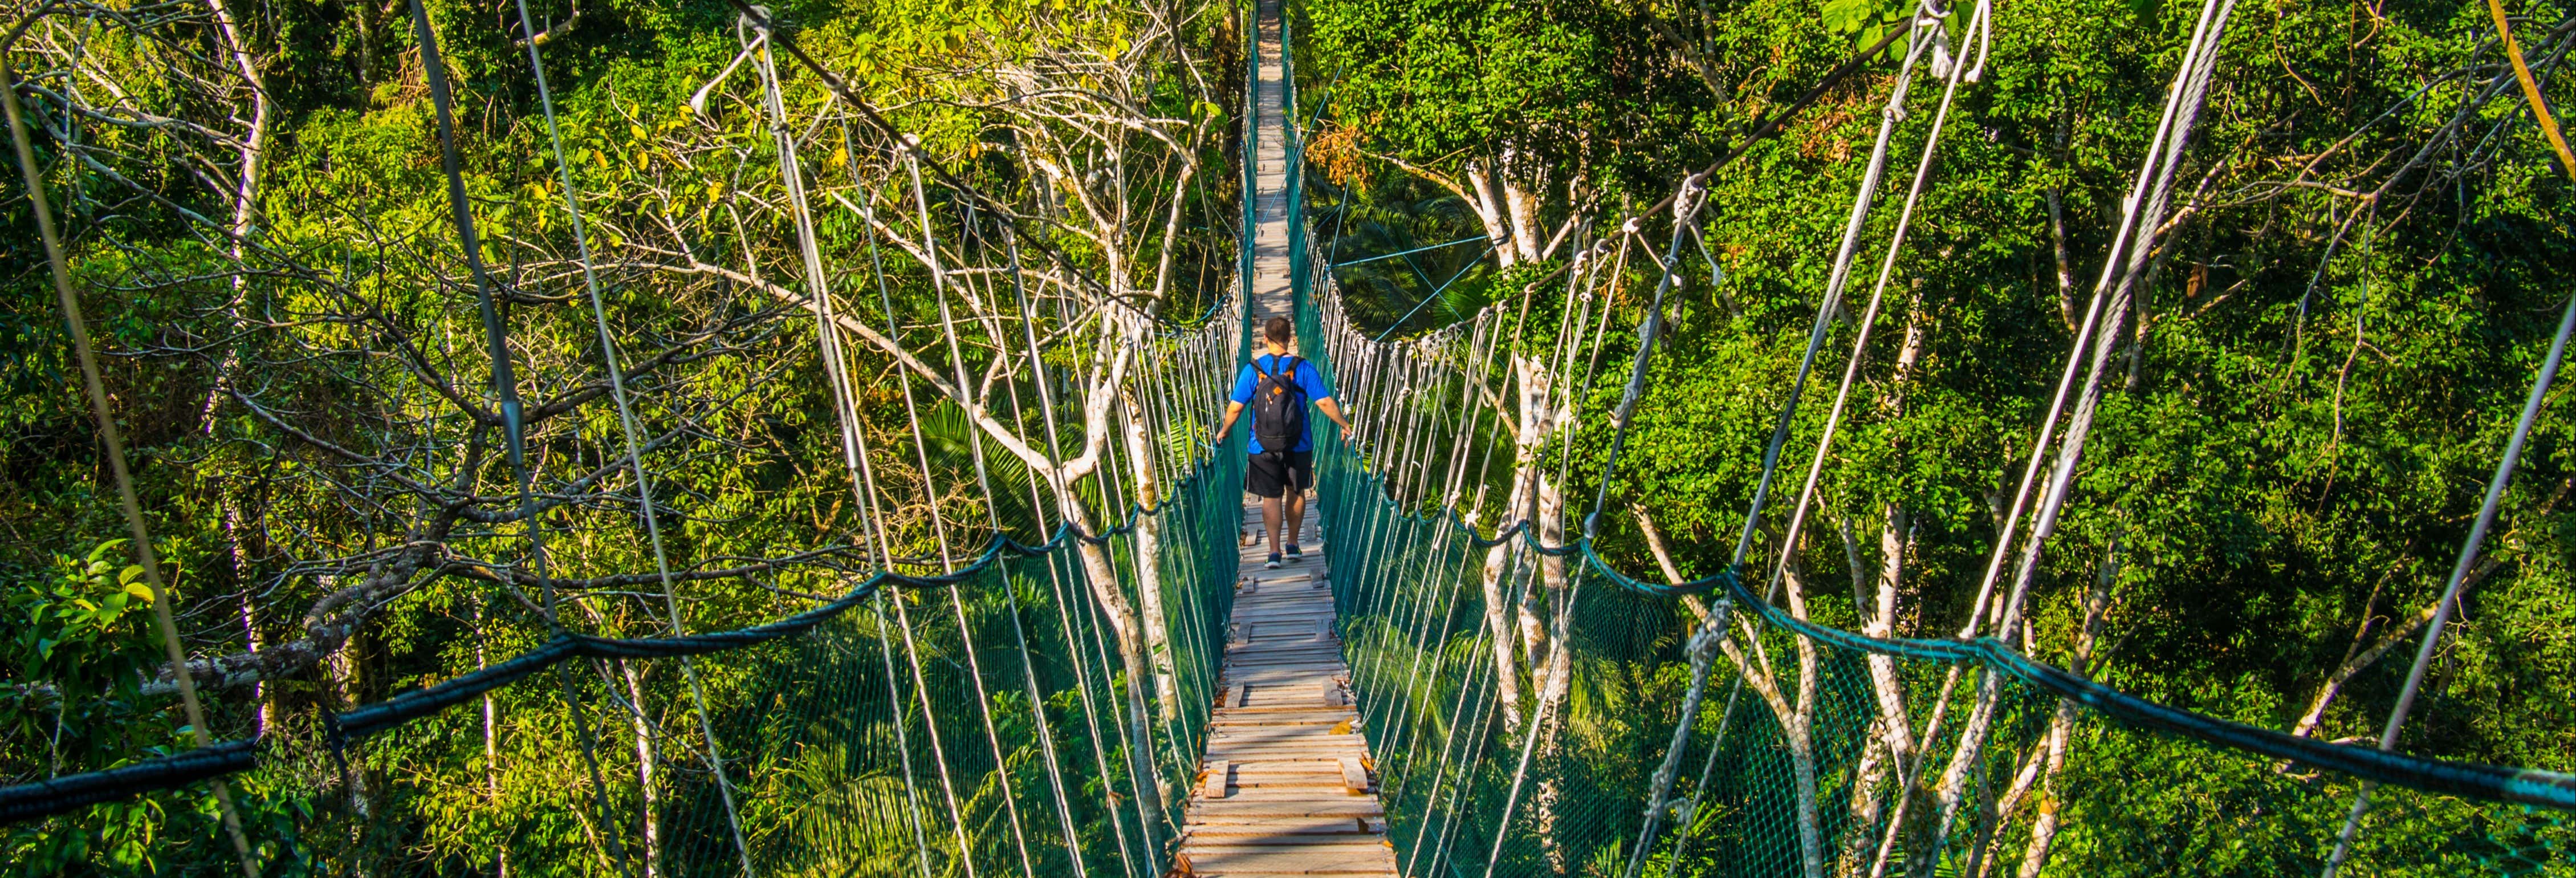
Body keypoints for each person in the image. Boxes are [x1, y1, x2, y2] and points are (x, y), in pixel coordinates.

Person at [1217, 316, 1354, 568]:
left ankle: (1273, 552)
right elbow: (1324, 402)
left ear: (1265, 339)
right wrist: (1344, 424)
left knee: (1270, 497)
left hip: (1261, 446)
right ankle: (1293, 544)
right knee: (1296, 491)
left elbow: (1236, 408)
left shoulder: (1253, 369)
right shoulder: (1303, 367)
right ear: (1290, 339)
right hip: (1298, 444)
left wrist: (1224, 430)